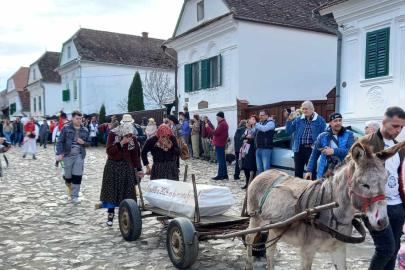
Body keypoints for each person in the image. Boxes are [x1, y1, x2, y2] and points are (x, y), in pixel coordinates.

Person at [359, 106, 405, 270]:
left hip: (397, 205)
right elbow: (350, 171)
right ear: (384, 122)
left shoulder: (400, 147)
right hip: (374, 205)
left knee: (394, 251)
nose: (398, 130)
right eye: (395, 125)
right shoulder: (366, 143)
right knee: (385, 249)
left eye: (401, 127)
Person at [97, 121, 144, 226]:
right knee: (112, 193)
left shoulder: (133, 138)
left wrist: (139, 169)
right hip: (113, 167)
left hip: (127, 168)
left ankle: (128, 216)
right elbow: (109, 151)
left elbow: (135, 156)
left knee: (128, 193)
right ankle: (110, 217)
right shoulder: (112, 135)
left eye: (131, 133)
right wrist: (121, 143)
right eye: (128, 134)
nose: (129, 135)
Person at [304, 113, 355, 180]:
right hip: (325, 173)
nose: (338, 123)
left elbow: (350, 152)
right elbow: (314, 154)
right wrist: (309, 170)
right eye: (335, 121)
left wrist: (333, 151)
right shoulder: (322, 136)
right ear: (330, 123)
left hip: (343, 173)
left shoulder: (349, 134)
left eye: (340, 120)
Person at [56, 110, 90, 204]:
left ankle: (75, 196)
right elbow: (60, 141)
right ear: (72, 118)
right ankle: (67, 180)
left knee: (77, 176)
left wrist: (83, 143)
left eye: (80, 119)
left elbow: (89, 143)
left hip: (79, 155)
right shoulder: (66, 128)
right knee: (68, 177)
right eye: (77, 118)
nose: (79, 120)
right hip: (67, 155)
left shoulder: (85, 130)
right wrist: (59, 153)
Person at [286, 101, 326, 178]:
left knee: (311, 173)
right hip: (299, 149)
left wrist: (320, 148)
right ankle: (299, 189)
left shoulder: (320, 120)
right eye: (303, 109)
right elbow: (288, 131)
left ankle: (311, 189)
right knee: (298, 172)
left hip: (312, 150)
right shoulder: (298, 120)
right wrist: (289, 120)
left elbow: (324, 136)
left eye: (306, 109)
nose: (304, 111)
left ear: (312, 109)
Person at [206, 111, 229, 180]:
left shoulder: (222, 124)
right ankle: (224, 175)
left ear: (220, 117)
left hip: (220, 144)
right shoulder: (222, 123)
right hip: (220, 143)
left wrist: (208, 127)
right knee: (222, 160)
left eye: (217, 117)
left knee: (220, 160)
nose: (216, 118)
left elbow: (215, 133)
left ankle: (220, 175)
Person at [240, 116, 257, 189]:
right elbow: (242, 137)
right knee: (245, 167)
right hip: (245, 149)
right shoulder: (247, 130)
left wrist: (246, 138)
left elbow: (252, 137)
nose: (249, 122)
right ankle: (247, 182)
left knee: (251, 167)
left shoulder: (255, 129)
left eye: (252, 120)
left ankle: (251, 183)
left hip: (252, 150)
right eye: (249, 120)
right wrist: (246, 137)